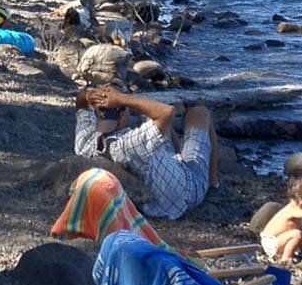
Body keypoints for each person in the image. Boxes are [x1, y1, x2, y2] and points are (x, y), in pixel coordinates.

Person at [72, 83, 217, 221]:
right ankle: (212, 183)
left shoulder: (87, 142)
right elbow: (166, 112)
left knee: (153, 121)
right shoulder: (128, 144)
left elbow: (80, 103)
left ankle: (180, 157)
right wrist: (122, 99)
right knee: (199, 112)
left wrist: (90, 95)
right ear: (122, 116)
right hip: (186, 190)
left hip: (157, 174)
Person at [258, 152, 302, 262]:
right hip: (271, 242)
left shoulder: (294, 212)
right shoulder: (292, 209)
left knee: (299, 233)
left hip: (276, 240)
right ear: (299, 200)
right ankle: (286, 258)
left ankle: (301, 254)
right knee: (297, 234)